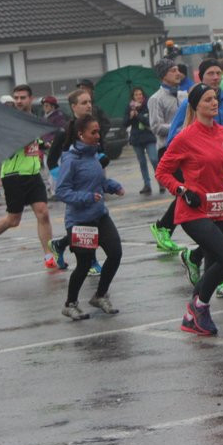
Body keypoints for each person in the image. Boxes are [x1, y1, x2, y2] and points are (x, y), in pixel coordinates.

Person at [155, 83, 223, 336]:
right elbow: (162, 172)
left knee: (217, 264)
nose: (214, 103)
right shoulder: (185, 137)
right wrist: (181, 190)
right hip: (192, 210)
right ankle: (197, 307)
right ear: (196, 106)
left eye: (215, 99)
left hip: (218, 208)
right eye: (208, 100)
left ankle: (195, 313)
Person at [170, 59, 223, 298]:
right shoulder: (188, 117)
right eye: (211, 73)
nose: (216, 77)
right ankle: (218, 284)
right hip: (199, 192)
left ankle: (195, 260)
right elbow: (169, 158)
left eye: (219, 73)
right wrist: (182, 188)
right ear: (201, 78)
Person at [0, 85, 59, 270]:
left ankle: (49, 257)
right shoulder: (8, 121)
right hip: (13, 175)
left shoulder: (34, 119)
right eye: (16, 98)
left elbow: (36, 141)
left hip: (33, 174)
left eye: (22, 98)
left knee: (43, 212)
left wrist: (43, 143)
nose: (19, 101)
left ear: (30, 99)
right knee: (13, 220)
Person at [54, 115, 124, 320]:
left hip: (100, 215)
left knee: (115, 253)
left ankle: (100, 295)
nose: (98, 135)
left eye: (98, 131)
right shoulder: (70, 159)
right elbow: (62, 191)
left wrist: (112, 186)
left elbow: (97, 181)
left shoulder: (94, 155)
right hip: (79, 221)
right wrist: (86, 197)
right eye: (93, 132)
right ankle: (70, 304)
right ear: (80, 134)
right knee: (84, 264)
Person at [46, 88, 109, 273]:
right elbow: (52, 161)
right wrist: (66, 179)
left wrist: (101, 159)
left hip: (94, 182)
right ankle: (90, 261)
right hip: (76, 189)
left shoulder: (94, 127)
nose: (88, 105)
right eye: (83, 102)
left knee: (95, 219)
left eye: (89, 101)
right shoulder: (65, 131)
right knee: (85, 223)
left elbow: (101, 153)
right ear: (73, 107)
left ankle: (60, 244)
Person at [148, 59, 187, 250]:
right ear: (163, 75)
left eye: (178, 70)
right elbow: (156, 127)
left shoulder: (183, 94)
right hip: (168, 149)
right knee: (184, 189)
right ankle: (163, 227)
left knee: (189, 189)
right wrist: (179, 130)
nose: (177, 73)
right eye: (173, 70)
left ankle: (164, 228)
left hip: (187, 148)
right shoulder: (156, 99)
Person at [125, 87, 158, 196]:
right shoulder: (129, 107)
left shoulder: (148, 105)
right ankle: (147, 184)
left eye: (140, 94)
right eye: (136, 94)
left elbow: (149, 121)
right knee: (142, 162)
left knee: (154, 159)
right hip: (136, 138)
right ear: (133, 97)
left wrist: (138, 115)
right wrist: (130, 117)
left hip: (148, 137)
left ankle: (161, 181)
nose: (139, 96)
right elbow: (124, 123)